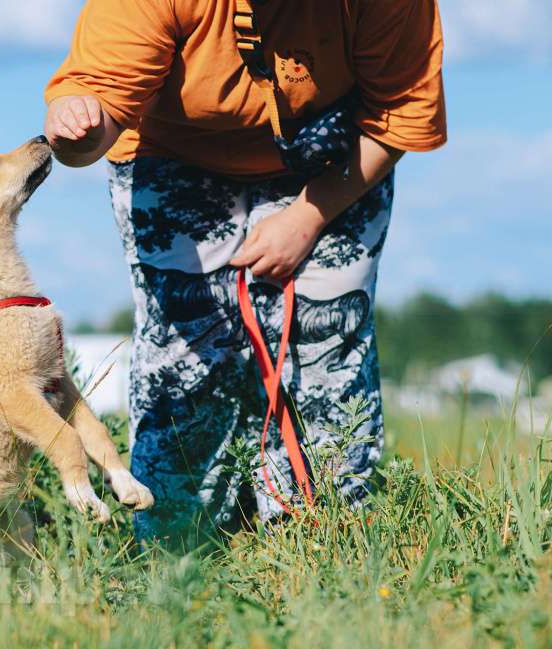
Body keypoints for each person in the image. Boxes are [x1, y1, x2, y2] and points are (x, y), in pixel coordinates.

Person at [43, 0, 446, 546]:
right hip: (173, 151)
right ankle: (174, 545)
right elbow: (95, 118)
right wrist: (77, 132)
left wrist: (307, 218)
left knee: (325, 334)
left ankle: (325, 537)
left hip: (331, 152)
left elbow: (401, 111)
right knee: (188, 353)